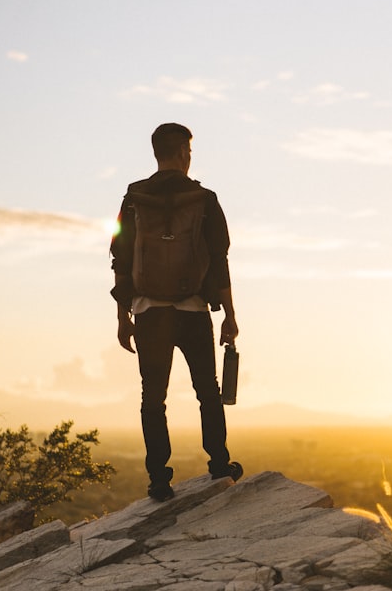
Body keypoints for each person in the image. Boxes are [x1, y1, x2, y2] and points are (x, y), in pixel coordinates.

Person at [110, 123, 242, 501]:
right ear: (185, 152)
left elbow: (120, 258)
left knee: (153, 397)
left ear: (156, 153)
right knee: (208, 392)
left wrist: (123, 318)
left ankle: (159, 481)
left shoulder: (134, 198)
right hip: (193, 310)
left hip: (149, 311)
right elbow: (219, 261)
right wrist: (229, 316)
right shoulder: (204, 198)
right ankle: (219, 464)